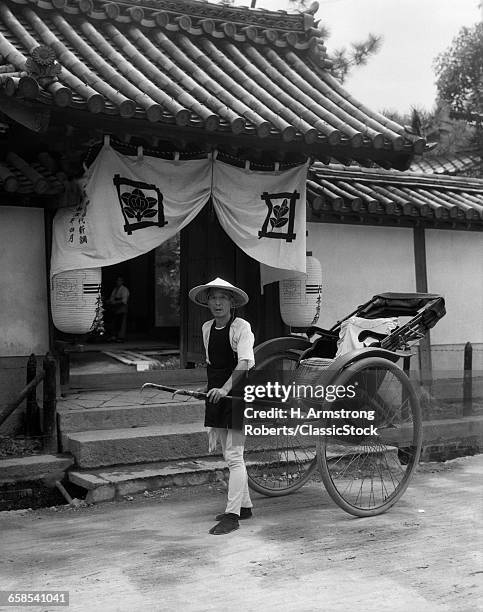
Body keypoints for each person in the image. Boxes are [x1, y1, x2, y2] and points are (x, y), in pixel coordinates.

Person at [189, 277, 255, 535]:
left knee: (235, 456)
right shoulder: (207, 328)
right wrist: (206, 390)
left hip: (238, 395)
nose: (217, 302)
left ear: (232, 302)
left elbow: (245, 363)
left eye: (223, 298)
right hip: (218, 394)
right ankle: (245, 507)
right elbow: (213, 366)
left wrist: (226, 388)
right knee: (229, 456)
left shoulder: (242, 327)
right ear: (207, 302)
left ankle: (232, 516)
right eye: (213, 298)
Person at [107, 276, 129, 342]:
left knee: (121, 323)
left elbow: (124, 300)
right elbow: (112, 298)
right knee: (115, 323)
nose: (118, 282)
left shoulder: (125, 289)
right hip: (115, 308)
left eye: (119, 280)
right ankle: (114, 336)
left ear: (122, 282)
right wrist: (109, 301)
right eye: (117, 280)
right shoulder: (115, 289)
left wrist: (115, 302)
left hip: (122, 307)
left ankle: (121, 337)